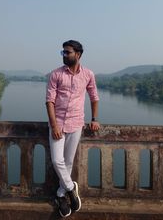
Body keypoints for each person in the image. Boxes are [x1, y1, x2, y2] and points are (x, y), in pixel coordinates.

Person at [46, 40, 100, 218]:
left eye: (67, 52)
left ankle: (61, 195)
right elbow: (50, 101)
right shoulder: (56, 74)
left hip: (76, 123)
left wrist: (94, 119)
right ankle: (71, 188)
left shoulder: (88, 74)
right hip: (58, 124)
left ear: (78, 54)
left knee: (68, 163)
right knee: (56, 160)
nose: (64, 55)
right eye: (63, 52)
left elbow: (94, 96)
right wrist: (54, 125)